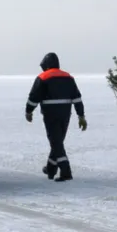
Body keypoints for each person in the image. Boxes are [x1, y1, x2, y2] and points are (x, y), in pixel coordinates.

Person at [25, 52, 86, 181]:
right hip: (65, 114)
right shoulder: (68, 77)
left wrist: (28, 111)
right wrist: (81, 115)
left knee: (56, 142)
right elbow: (77, 98)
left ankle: (66, 171)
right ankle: (51, 169)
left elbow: (33, 97)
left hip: (50, 114)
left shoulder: (43, 77)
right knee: (58, 142)